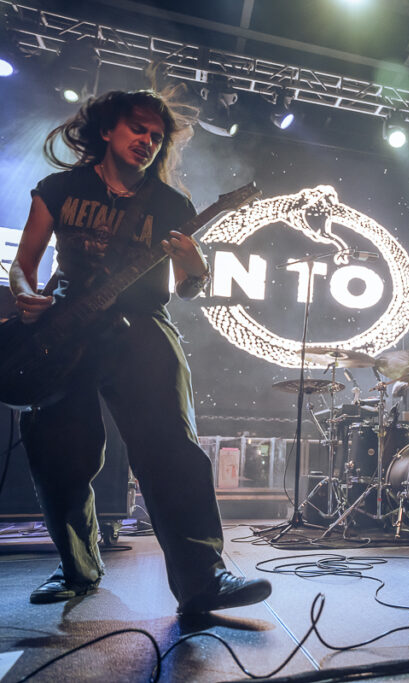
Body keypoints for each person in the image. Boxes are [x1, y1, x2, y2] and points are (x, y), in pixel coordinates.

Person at [9, 90, 271, 612]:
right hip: (65, 327)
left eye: (156, 136)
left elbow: (187, 288)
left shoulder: (172, 205)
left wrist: (196, 266)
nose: (147, 141)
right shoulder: (60, 189)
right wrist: (24, 294)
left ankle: (203, 579)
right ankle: (77, 568)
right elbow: (23, 264)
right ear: (108, 130)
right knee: (59, 453)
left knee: (171, 448)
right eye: (138, 128)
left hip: (142, 327)